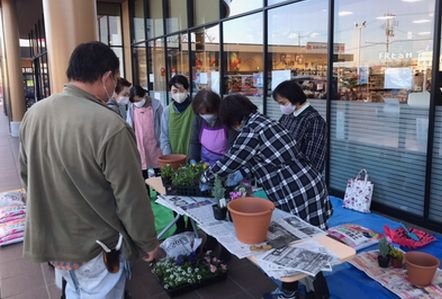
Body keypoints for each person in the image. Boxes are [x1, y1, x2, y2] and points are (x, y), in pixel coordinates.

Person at [19, 42, 162, 299]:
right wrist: (148, 242)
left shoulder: (34, 114)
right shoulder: (110, 126)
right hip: (96, 246)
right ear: (107, 77)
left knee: (73, 290)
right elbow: (130, 197)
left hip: (52, 240)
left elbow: (26, 176)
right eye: (115, 79)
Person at [200, 94, 332, 299]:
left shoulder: (252, 132)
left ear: (234, 119)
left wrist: (203, 177)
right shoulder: (265, 122)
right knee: (306, 241)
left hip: (295, 191)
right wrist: (238, 177)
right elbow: (259, 161)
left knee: (302, 244)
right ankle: (294, 292)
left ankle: (314, 294)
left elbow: (229, 162)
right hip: (308, 183)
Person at [160, 75, 195, 233]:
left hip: (192, 161)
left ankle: (192, 225)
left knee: (193, 195)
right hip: (173, 162)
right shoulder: (167, 111)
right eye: (174, 90)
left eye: (180, 90)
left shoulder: (195, 109)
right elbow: (163, 136)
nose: (177, 93)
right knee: (175, 196)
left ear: (187, 90)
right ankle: (180, 225)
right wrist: (170, 158)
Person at [273, 79, 327, 175]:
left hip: (302, 178)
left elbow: (314, 158)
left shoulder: (314, 120)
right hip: (283, 173)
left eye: (283, 103)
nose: (281, 107)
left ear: (294, 98)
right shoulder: (287, 115)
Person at [189, 89, 236, 166]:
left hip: (225, 165)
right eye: (202, 113)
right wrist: (193, 159)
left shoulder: (227, 120)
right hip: (203, 164)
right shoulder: (198, 119)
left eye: (210, 112)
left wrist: (224, 166)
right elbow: (194, 142)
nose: (207, 116)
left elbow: (232, 147)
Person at [126, 85, 163, 180]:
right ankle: (146, 193)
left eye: (139, 100)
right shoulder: (131, 109)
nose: (137, 103)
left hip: (156, 145)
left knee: (160, 172)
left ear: (144, 95)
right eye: (135, 101)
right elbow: (129, 125)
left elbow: (162, 124)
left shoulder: (156, 106)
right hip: (139, 145)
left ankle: (161, 193)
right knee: (142, 173)